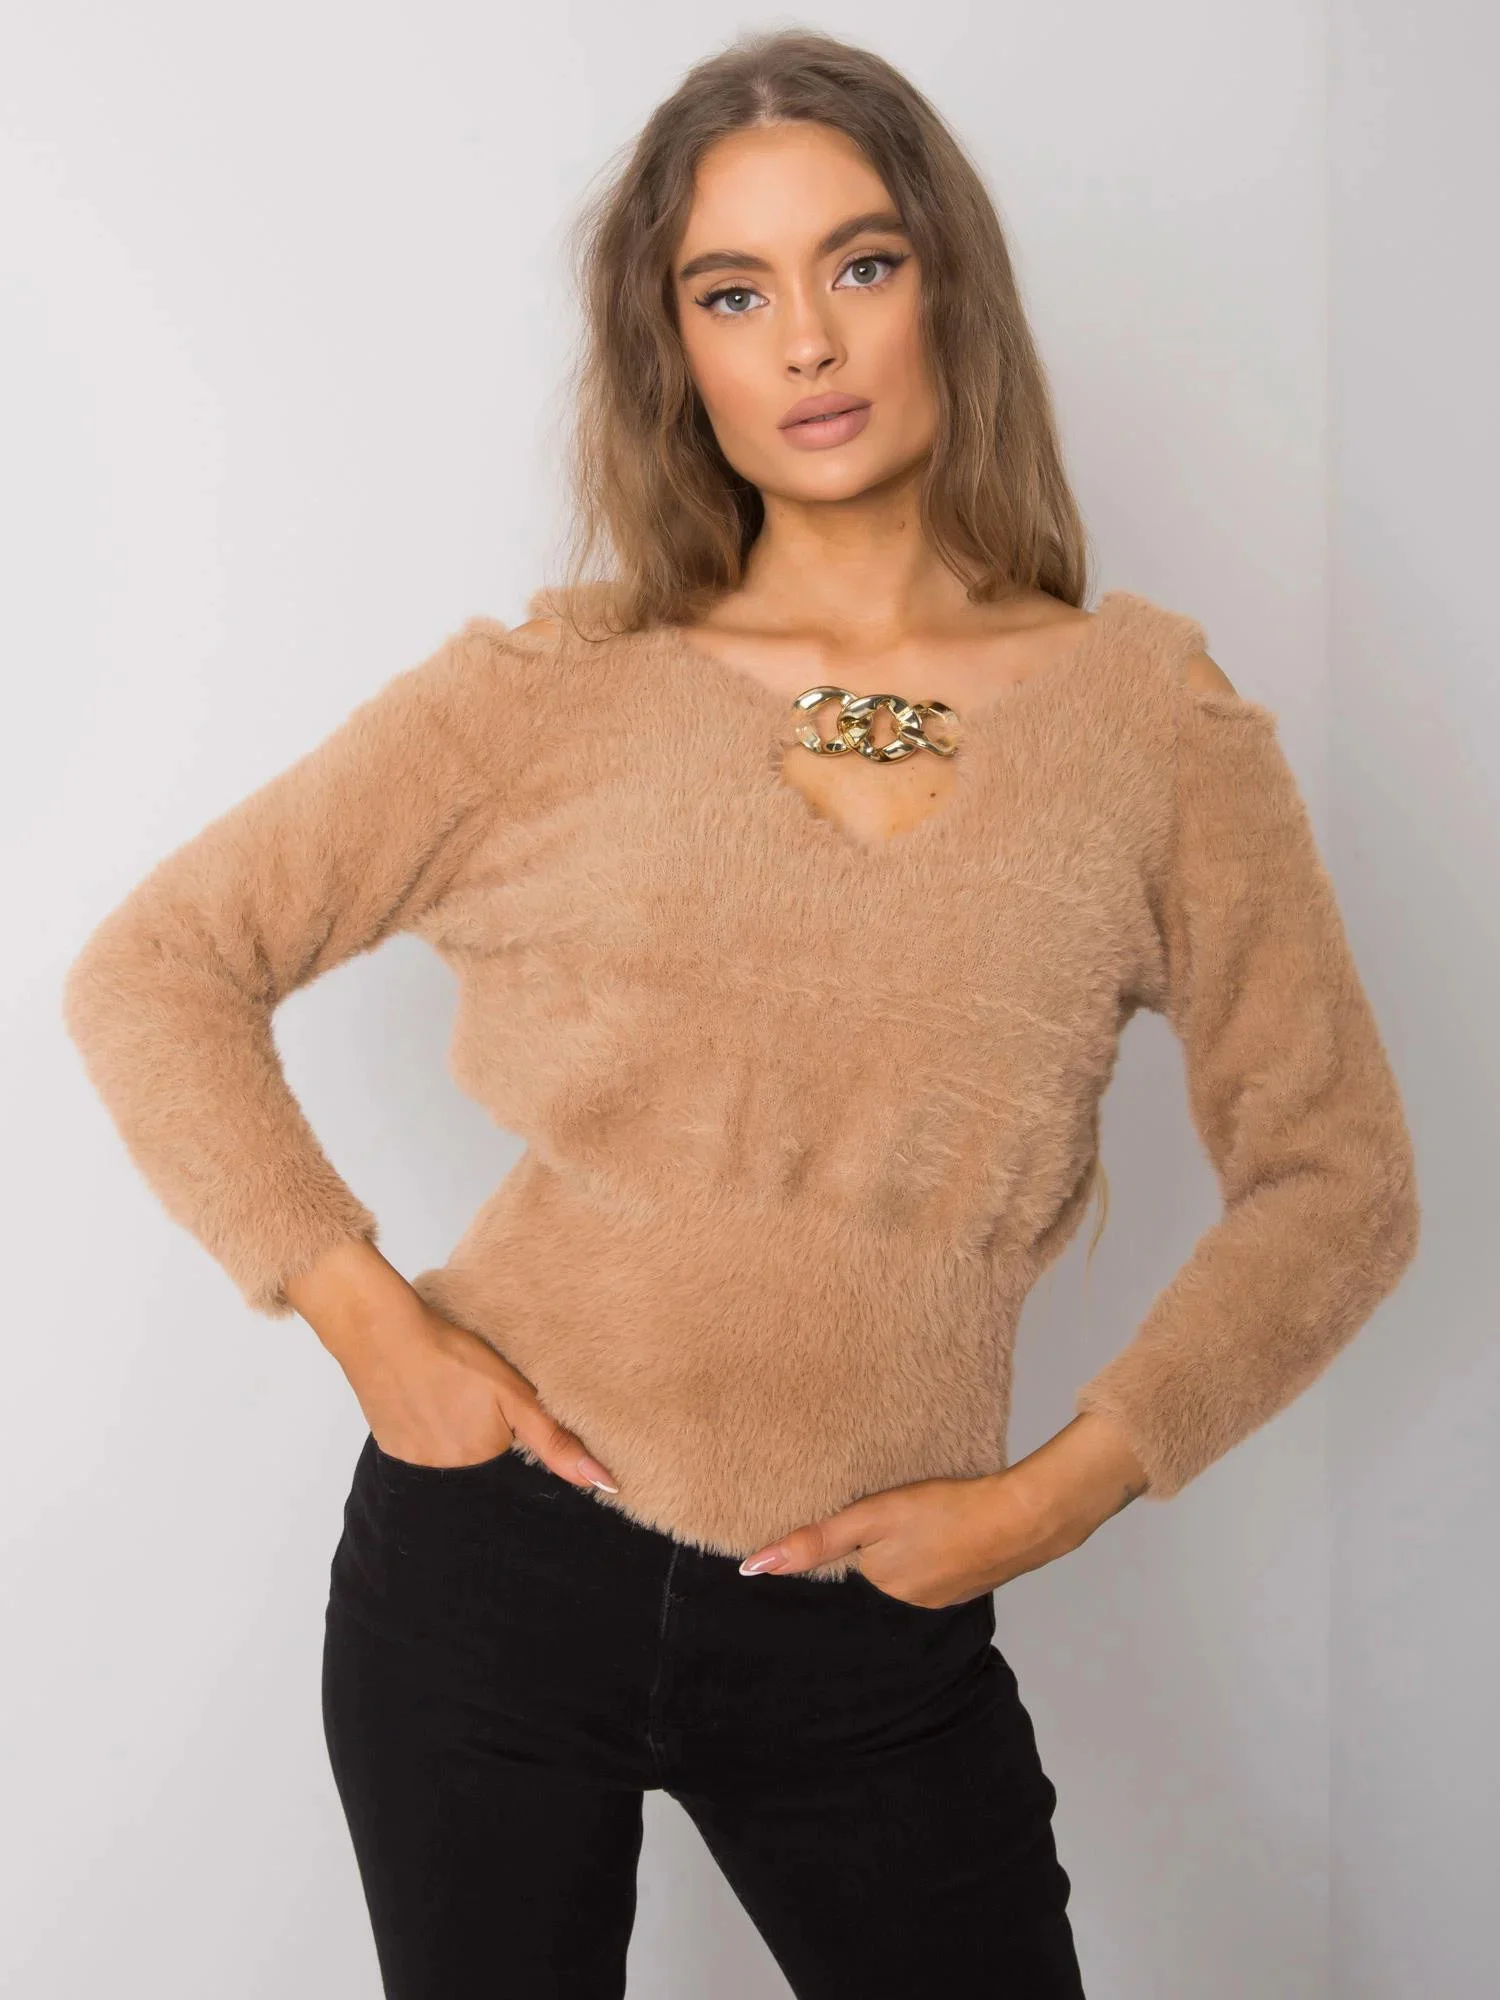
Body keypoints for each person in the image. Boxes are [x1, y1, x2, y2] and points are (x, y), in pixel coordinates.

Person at [60, 27, 1421, 2000]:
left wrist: (1058, 1495)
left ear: (947, 286)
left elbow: (1339, 1180)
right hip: (489, 1580)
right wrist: (373, 1325)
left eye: (861, 262)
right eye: (732, 290)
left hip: (877, 1644)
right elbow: (157, 971)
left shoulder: (1150, 727)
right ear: (671, 347)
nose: (808, 340)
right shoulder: (555, 691)